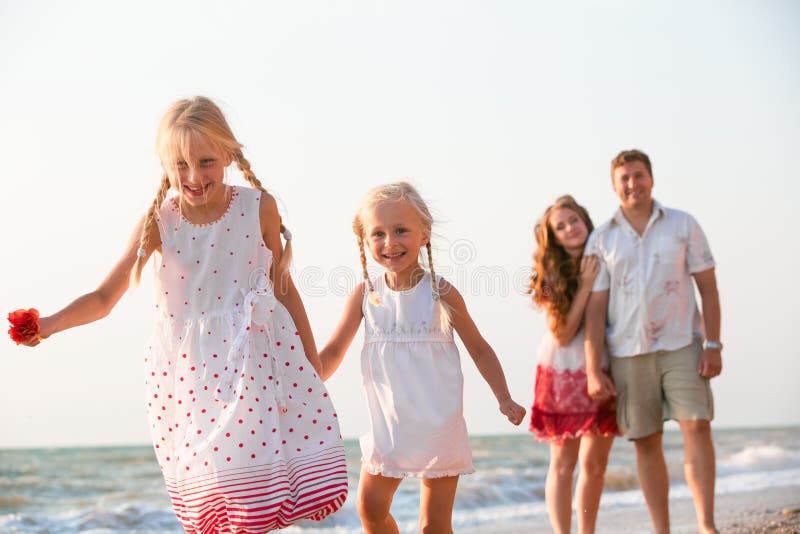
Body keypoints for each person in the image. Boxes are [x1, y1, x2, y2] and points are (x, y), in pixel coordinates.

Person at [13, 96, 348, 532]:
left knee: (255, 502)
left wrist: (311, 364)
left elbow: (283, 287)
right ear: (165, 164)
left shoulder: (257, 208)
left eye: (206, 162)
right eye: (181, 164)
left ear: (228, 154)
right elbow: (104, 297)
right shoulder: (159, 221)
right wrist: (50, 324)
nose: (193, 176)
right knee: (216, 505)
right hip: (192, 379)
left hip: (256, 364)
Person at [319, 181, 526, 534]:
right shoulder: (364, 296)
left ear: (424, 233)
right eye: (379, 234)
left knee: (433, 525)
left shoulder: (440, 292)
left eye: (401, 231)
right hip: (389, 427)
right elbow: (334, 350)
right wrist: (301, 383)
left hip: (438, 426)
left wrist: (503, 397)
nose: (390, 242)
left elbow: (479, 347)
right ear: (364, 241)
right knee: (370, 508)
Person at [584, 149, 722, 534]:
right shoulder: (602, 238)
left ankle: (705, 525)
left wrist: (714, 345)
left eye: (638, 175)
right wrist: (594, 368)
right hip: (628, 353)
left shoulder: (683, 224)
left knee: (697, 425)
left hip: (682, 344)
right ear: (614, 187)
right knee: (646, 441)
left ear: (652, 179)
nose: (633, 184)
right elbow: (595, 311)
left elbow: (708, 288)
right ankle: (662, 530)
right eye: (624, 178)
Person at [528, 195, 618, 534]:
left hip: (603, 363)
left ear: (586, 220)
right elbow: (563, 334)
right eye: (560, 226)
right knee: (563, 463)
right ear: (553, 237)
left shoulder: (606, 256)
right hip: (562, 369)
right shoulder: (549, 273)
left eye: (574, 220)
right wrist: (584, 286)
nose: (570, 229)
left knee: (595, 463)